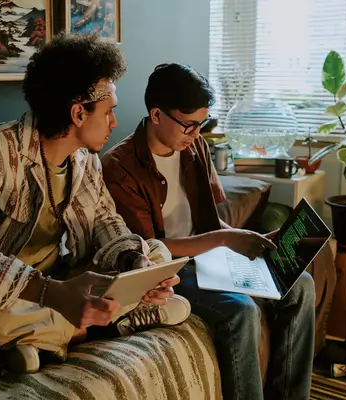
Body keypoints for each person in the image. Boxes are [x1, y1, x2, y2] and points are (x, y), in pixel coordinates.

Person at [0, 35, 190, 374]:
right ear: (78, 112)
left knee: (154, 253)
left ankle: (36, 339)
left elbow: (105, 220)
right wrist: (49, 293)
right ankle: (96, 325)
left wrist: (134, 264)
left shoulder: (86, 160)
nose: (114, 123)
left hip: (58, 278)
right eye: (109, 113)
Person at [101, 63, 316, 400]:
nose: (196, 134)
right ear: (156, 115)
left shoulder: (195, 147)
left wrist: (249, 239)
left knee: (300, 284)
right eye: (189, 125)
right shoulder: (119, 167)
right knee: (241, 310)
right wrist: (228, 239)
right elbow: (149, 249)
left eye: (202, 124)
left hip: (211, 256)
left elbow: (211, 222)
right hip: (170, 269)